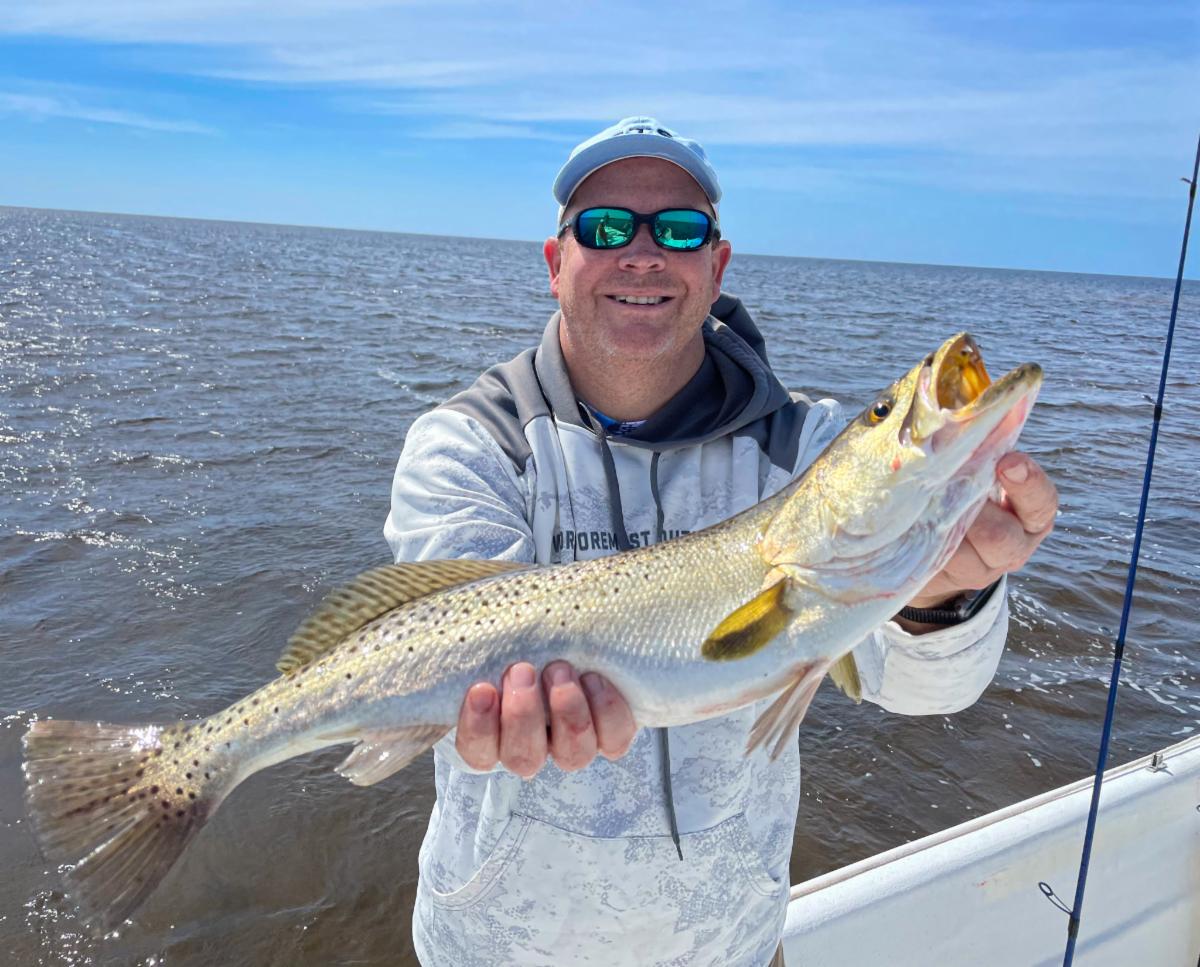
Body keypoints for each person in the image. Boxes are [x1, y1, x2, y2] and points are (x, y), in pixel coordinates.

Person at [384, 116, 1058, 967]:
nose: (642, 253)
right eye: (605, 227)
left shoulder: (804, 449)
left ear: (717, 266)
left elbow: (930, 691)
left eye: (678, 229)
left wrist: (941, 594)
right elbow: (446, 646)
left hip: (729, 947)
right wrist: (479, 715)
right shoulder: (470, 442)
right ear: (556, 264)